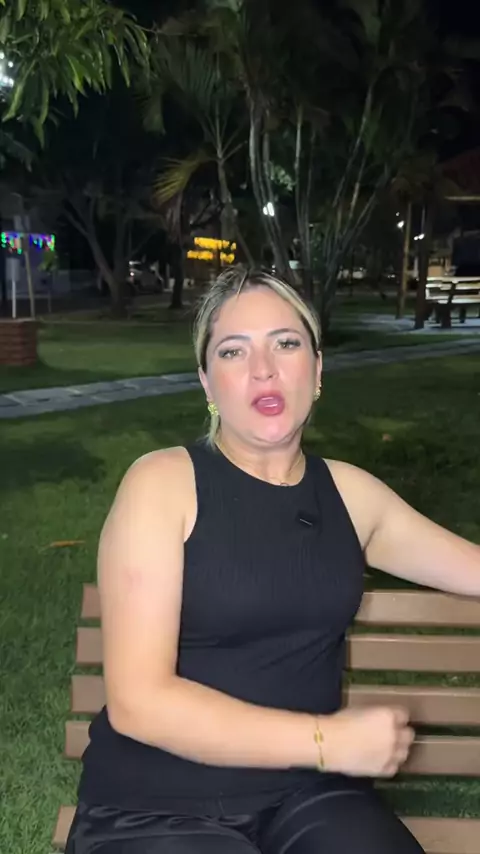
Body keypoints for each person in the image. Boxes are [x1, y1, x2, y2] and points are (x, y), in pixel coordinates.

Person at [65, 267, 480, 854]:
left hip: (310, 796)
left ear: (317, 370)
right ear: (207, 383)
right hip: (156, 804)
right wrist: (324, 742)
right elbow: (140, 702)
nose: (263, 369)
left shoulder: (351, 496)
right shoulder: (162, 484)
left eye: (286, 343)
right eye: (234, 351)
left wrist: (322, 755)